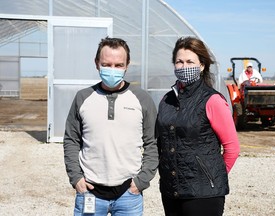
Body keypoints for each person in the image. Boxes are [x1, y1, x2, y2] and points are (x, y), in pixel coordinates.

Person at [63, 37, 158, 216]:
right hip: (89, 192)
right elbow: (71, 140)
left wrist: (141, 181)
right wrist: (76, 178)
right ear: (97, 63)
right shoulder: (83, 98)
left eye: (118, 65)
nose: (112, 70)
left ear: (127, 65)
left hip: (128, 194)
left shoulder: (142, 99)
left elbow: (152, 143)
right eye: (106, 64)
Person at [156, 37, 240, 216]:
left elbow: (232, 147)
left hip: (203, 194)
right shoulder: (167, 100)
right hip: (171, 191)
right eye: (179, 61)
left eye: (190, 62)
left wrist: (213, 176)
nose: (184, 66)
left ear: (201, 66)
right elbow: (161, 142)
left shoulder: (212, 100)